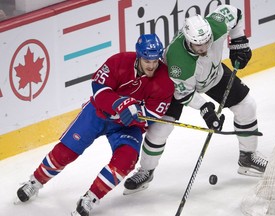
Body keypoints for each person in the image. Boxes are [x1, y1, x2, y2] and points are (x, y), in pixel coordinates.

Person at [16, 34, 174, 216]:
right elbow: (99, 88)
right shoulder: (119, 61)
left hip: (127, 126)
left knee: (126, 160)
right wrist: (120, 104)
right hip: (98, 114)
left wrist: (138, 114)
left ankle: (91, 197)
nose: (152, 65)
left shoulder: (164, 81)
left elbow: (153, 115)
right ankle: (35, 182)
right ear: (139, 56)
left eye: (155, 60)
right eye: (147, 60)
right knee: (66, 151)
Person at [123, 4, 268, 195]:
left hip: (212, 75)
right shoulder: (177, 61)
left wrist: (239, 41)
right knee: (160, 128)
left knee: (247, 105)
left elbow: (235, 12)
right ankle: (145, 171)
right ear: (188, 40)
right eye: (198, 45)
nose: (204, 48)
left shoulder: (215, 26)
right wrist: (206, 109)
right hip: (174, 86)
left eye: (207, 42)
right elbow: (183, 93)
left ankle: (247, 157)